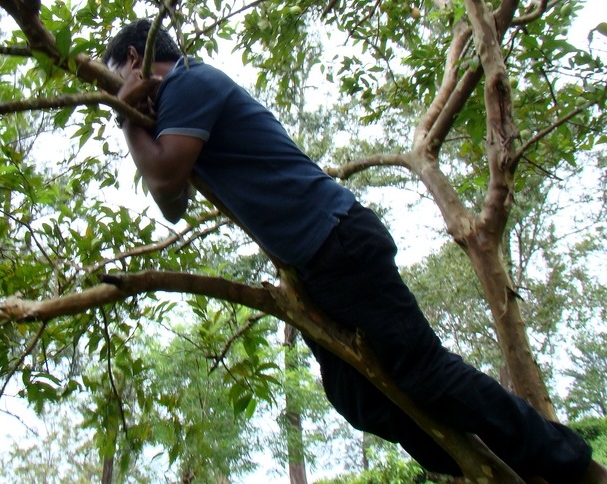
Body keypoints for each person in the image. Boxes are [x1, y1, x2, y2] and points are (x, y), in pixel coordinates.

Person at [103, 18, 606, 483]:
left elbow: (166, 175)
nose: (121, 95)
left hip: (336, 239)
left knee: (422, 370)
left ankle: (573, 466)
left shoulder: (189, 82)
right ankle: (486, 465)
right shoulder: (175, 110)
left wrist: (128, 121)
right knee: (357, 397)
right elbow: (173, 204)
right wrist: (140, 122)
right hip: (319, 258)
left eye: (117, 78)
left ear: (135, 58)